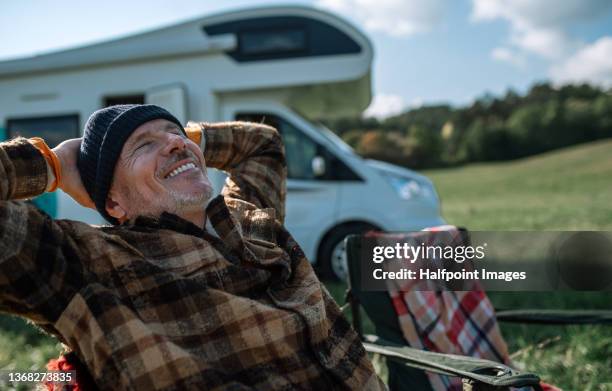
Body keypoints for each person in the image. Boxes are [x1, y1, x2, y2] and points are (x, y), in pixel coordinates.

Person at [0, 104, 384, 390]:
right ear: (113, 203)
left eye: (176, 132)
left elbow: (262, 145)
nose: (174, 142)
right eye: (143, 145)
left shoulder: (250, 218)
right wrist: (52, 164)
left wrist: (188, 142)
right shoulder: (87, 262)